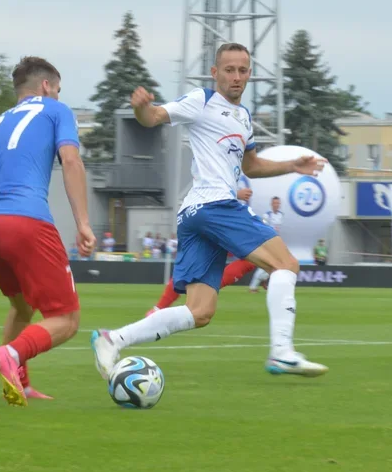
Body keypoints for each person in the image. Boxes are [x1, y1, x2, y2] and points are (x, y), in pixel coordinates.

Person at [91, 43, 328, 380]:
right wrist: (143, 108)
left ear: (249, 74)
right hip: (214, 205)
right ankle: (281, 353)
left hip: (195, 215)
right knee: (286, 263)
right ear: (215, 73)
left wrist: (293, 164)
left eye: (242, 70)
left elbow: (252, 165)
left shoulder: (243, 118)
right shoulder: (201, 100)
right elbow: (155, 117)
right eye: (228, 70)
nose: (236, 77)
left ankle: (112, 339)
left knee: (200, 312)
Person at [0, 56, 95, 406]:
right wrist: (82, 222)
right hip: (25, 221)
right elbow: (71, 160)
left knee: (22, 306)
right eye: (58, 90)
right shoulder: (57, 110)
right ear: (47, 87)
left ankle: (18, 380)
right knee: (65, 320)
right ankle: (10, 355)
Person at [249, 196, 283, 291]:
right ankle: (253, 287)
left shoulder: (281, 215)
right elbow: (262, 229)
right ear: (272, 204)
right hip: (268, 242)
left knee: (276, 264)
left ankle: (264, 281)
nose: (276, 205)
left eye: (278, 203)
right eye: (275, 203)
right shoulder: (267, 216)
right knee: (266, 264)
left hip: (276, 242)